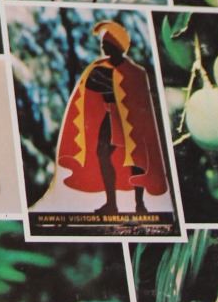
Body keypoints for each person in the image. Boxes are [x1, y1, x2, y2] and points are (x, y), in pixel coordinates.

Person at [55, 18, 169, 215]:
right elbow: (90, 88)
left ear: (117, 45)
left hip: (132, 122)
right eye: (103, 43)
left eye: (106, 42)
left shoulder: (135, 72)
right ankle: (111, 203)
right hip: (110, 117)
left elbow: (139, 100)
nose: (103, 46)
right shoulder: (99, 68)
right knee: (102, 154)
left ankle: (140, 204)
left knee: (136, 159)